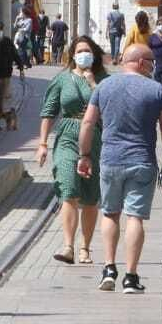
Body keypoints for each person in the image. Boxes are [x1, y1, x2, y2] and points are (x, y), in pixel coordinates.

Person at [76, 43, 162, 294]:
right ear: (140, 62)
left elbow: (88, 122)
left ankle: (109, 269)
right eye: (151, 61)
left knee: (109, 213)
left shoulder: (104, 87)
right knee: (135, 217)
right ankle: (131, 276)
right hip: (142, 161)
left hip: (110, 160)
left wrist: (84, 155)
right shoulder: (157, 90)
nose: (154, 66)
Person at [36, 35, 106, 265]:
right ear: (73, 55)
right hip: (66, 136)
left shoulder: (104, 79)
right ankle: (68, 246)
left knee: (90, 195)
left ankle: (85, 247)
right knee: (68, 188)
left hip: (95, 138)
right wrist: (43, 144)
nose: (84, 54)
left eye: (88, 50)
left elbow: (110, 108)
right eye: (80, 50)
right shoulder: (62, 79)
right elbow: (49, 111)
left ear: (94, 54)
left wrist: (93, 83)